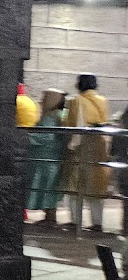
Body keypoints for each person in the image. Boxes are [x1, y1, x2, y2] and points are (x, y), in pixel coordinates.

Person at [63, 73, 113, 232]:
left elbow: (73, 124)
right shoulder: (103, 101)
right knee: (97, 186)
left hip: (82, 145)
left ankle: (75, 221)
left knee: (75, 183)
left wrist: (71, 145)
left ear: (79, 85)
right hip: (100, 145)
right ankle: (97, 223)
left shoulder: (75, 101)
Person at [26, 89, 68, 224]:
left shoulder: (50, 117)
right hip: (56, 157)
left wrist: (26, 136)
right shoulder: (62, 114)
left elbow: (45, 137)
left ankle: (49, 217)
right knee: (52, 187)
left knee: (46, 186)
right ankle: (50, 215)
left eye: (45, 98)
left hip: (46, 158)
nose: (42, 101)